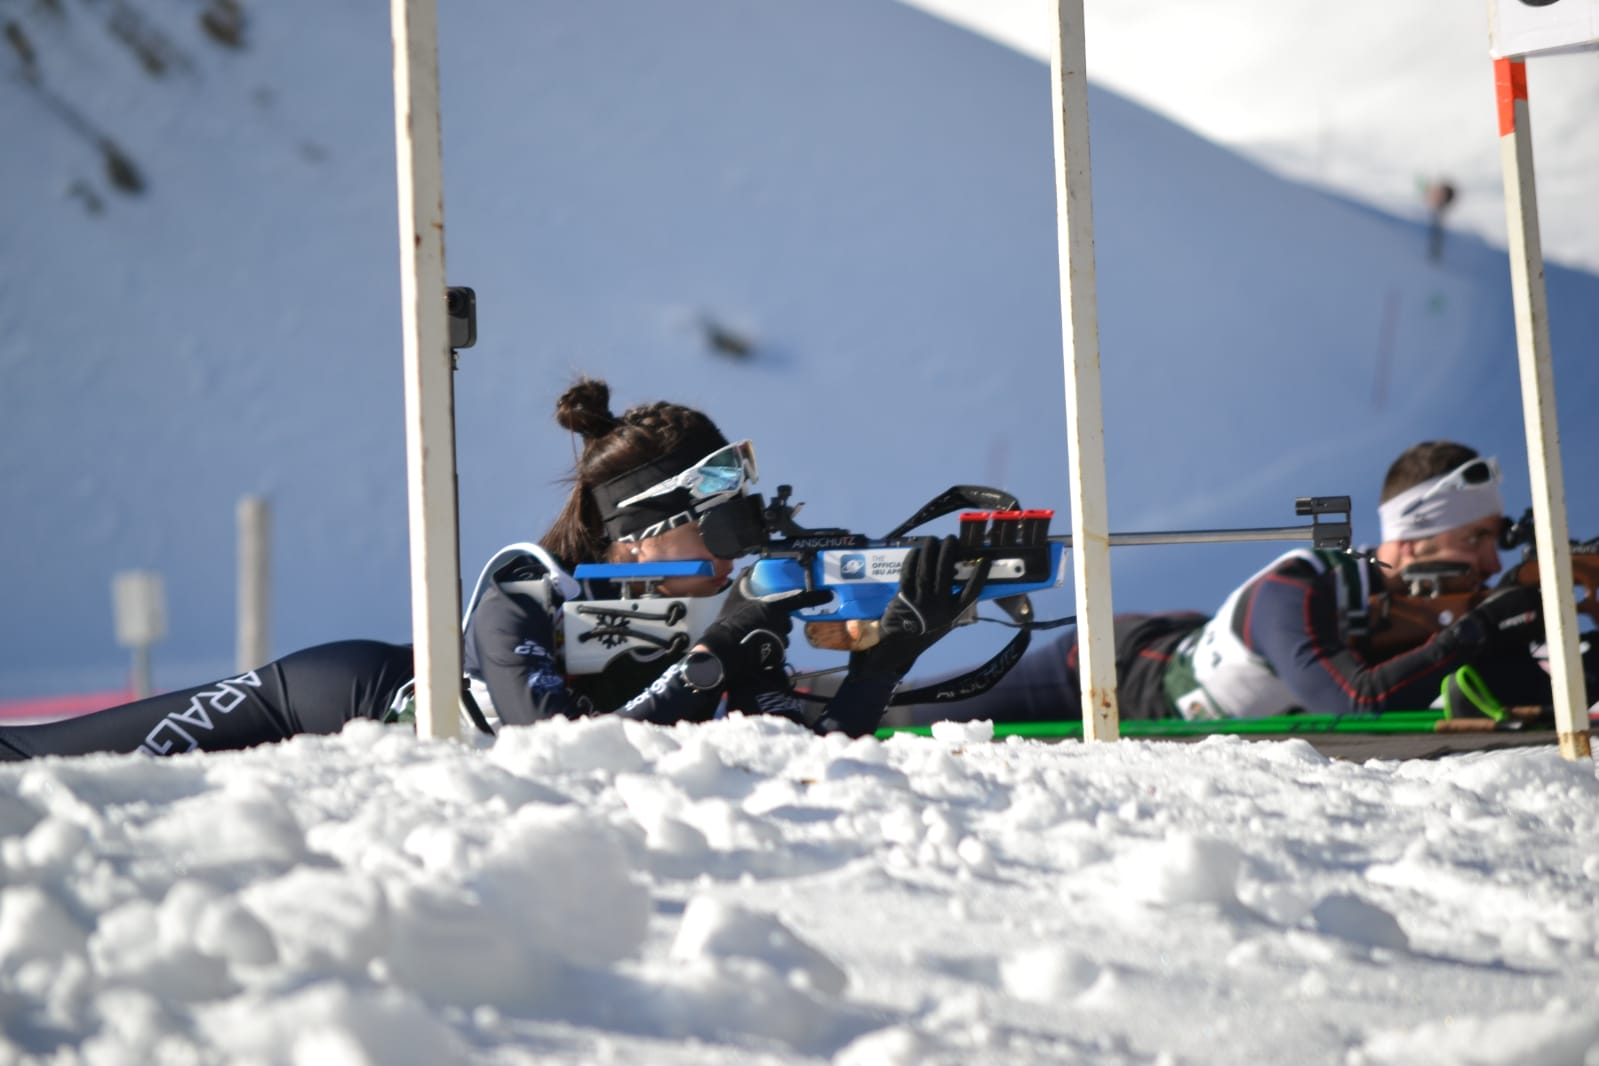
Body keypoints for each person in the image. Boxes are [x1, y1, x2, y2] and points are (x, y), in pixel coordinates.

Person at [0, 378, 976, 760]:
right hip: (327, 697)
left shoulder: (721, 615)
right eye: (717, 521)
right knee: (35, 759)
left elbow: (807, 751)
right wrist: (720, 651)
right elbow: (547, 749)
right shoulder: (526, 586)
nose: (739, 541)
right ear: (637, 539)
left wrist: (881, 665)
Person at [895, 440, 1588, 726]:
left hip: (1178, 642)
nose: (1490, 564)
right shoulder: (1298, 587)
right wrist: (1476, 630)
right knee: (901, 716)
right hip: (1108, 667)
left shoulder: (1412, 612)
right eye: (1473, 541)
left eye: (1493, 542)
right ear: (1410, 539)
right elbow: (1351, 701)